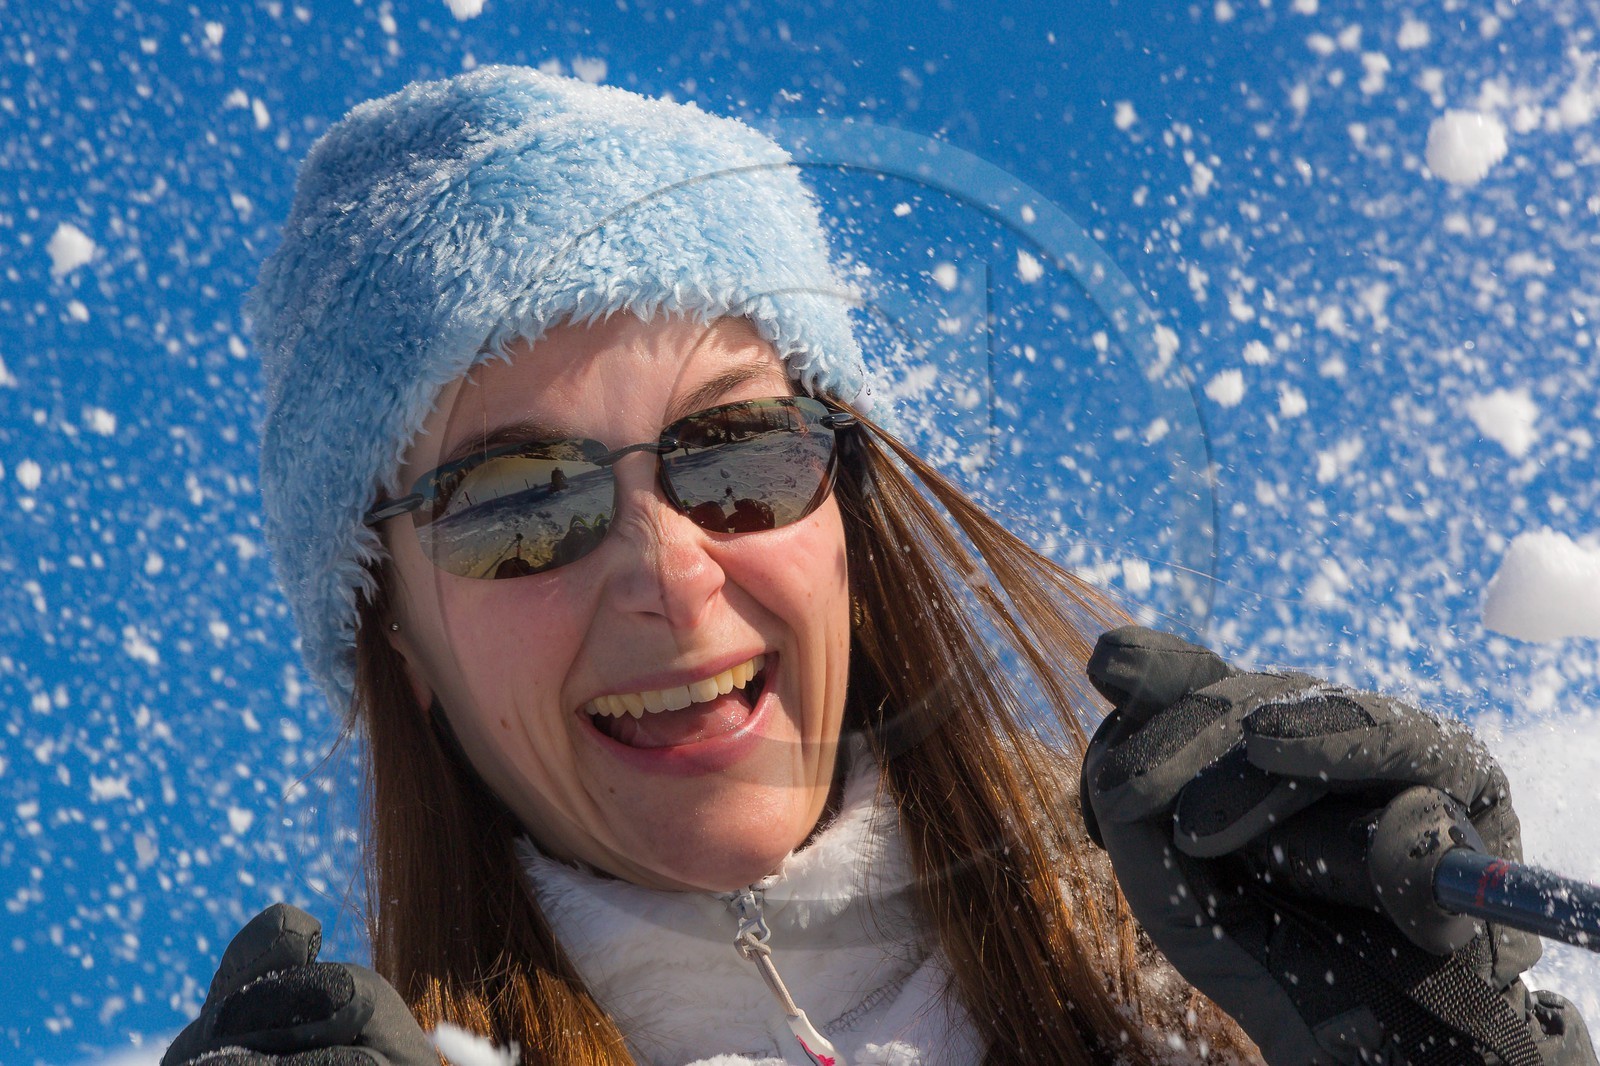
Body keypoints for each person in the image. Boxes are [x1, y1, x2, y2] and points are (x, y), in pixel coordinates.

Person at [162, 67, 1595, 1066]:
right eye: (517, 506)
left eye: (734, 452)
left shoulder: (1215, 980)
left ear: (844, 500)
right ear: (393, 635)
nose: (668, 575)